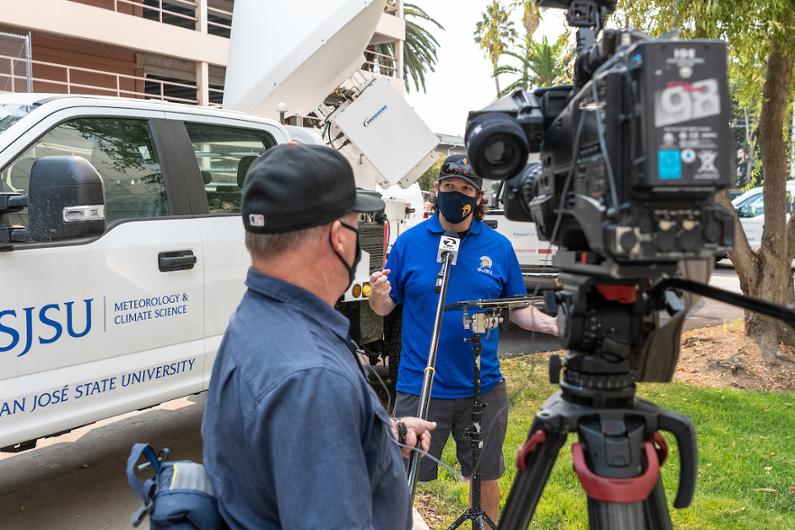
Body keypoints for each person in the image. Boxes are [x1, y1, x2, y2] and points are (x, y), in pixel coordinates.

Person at [202, 144, 436, 530]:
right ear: (337, 238)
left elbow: (289, 448)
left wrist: (383, 433)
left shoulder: (257, 319)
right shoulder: (313, 377)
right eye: (355, 223)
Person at [368, 154, 558, 523]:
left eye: (466, 189)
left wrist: (552, 325)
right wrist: (378, 295)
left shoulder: (498, 248)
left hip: (481, 387)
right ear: (437, 191)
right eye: (449, 187)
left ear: (479, 197)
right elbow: (384, 307)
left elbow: (516, 308)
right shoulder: (409, 243)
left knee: (486, 476)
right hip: (419, 386)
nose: (456, 195)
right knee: (400, 478)